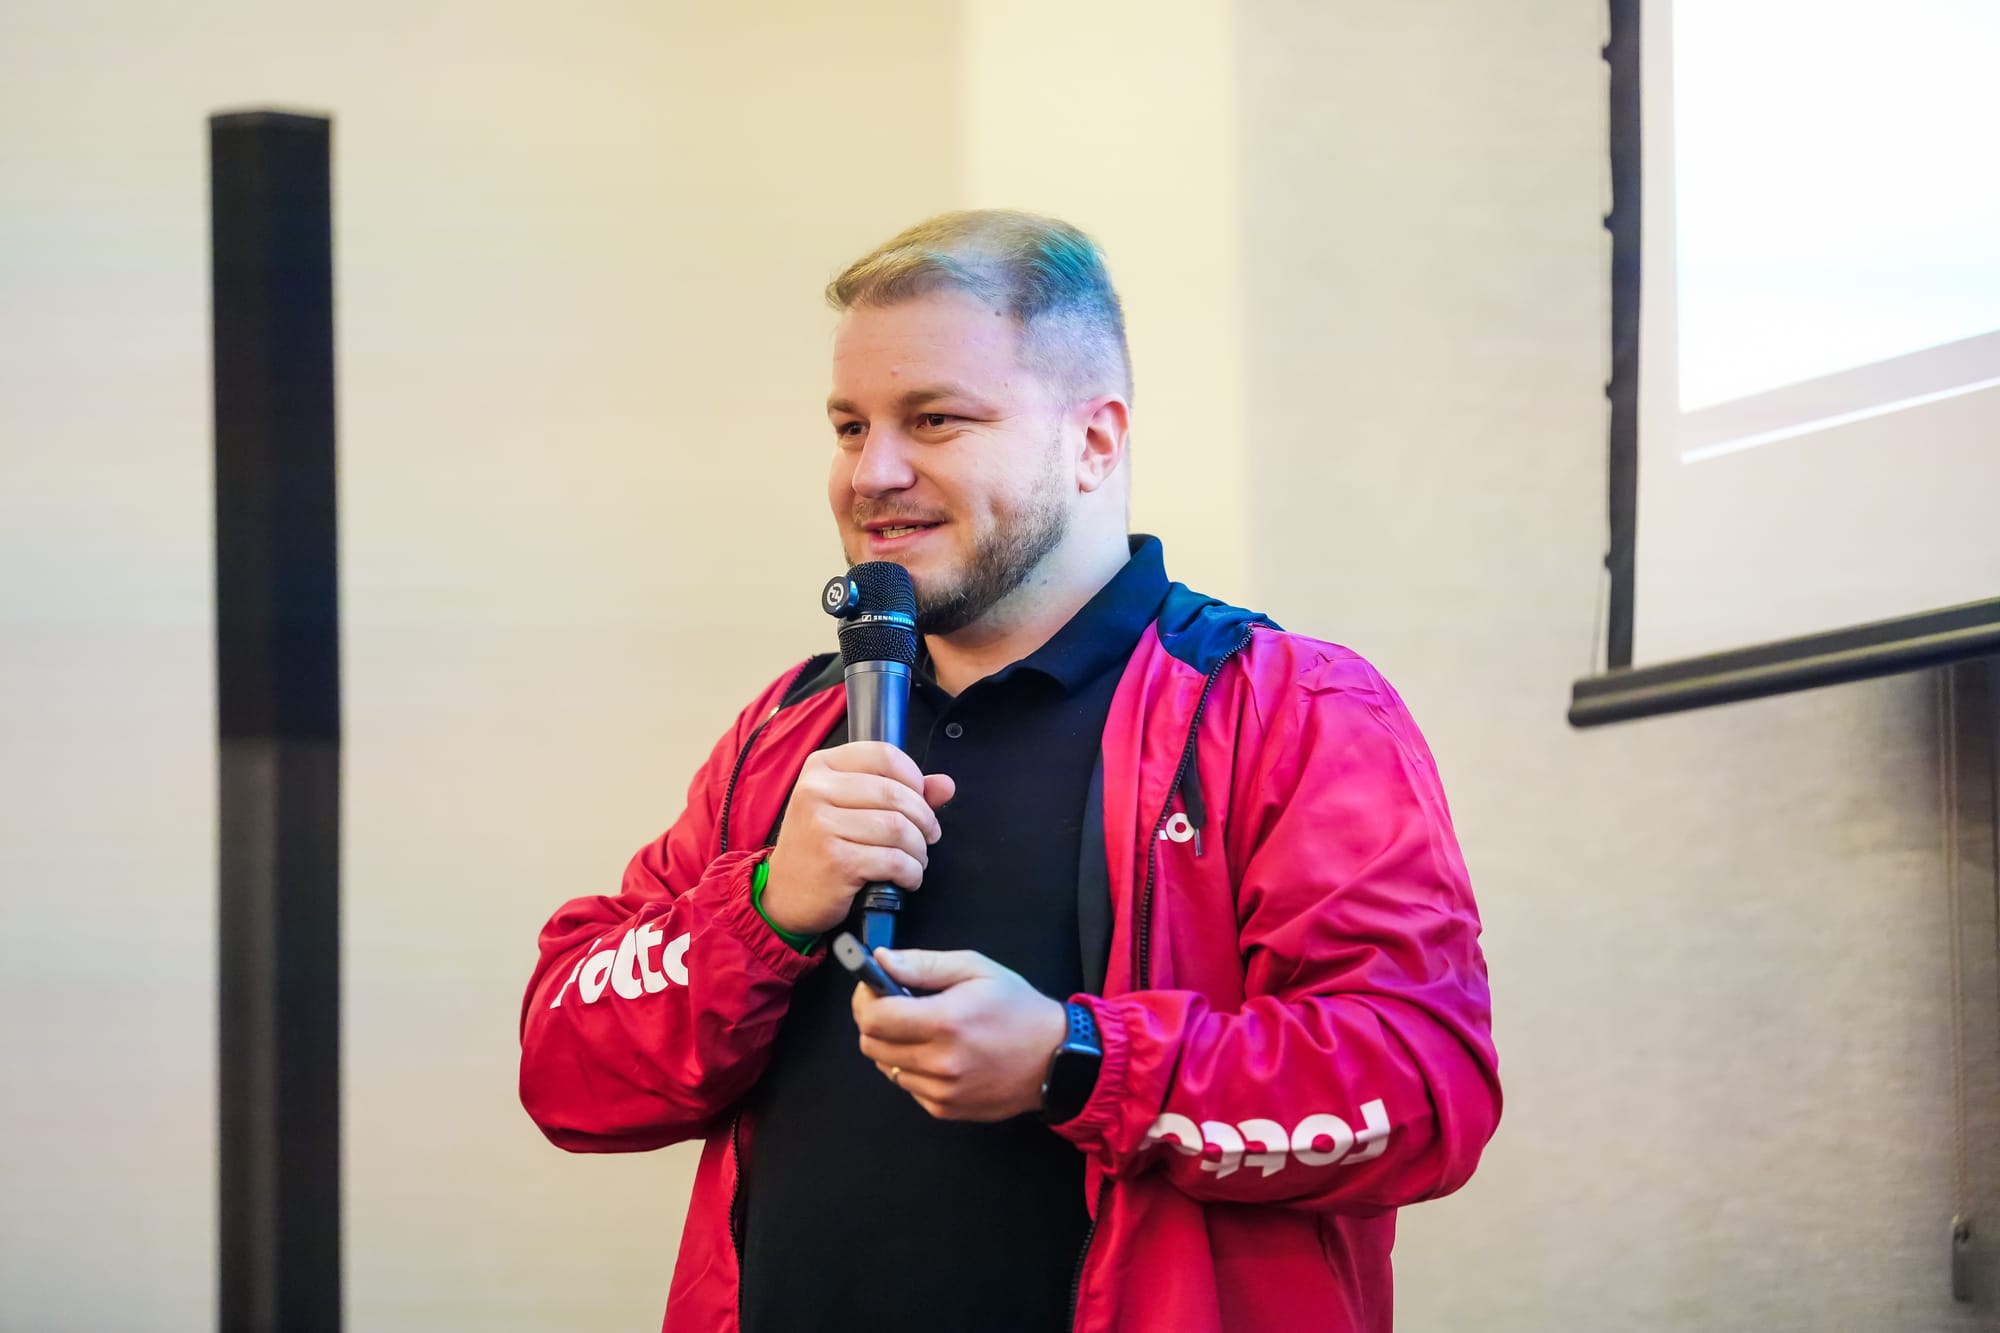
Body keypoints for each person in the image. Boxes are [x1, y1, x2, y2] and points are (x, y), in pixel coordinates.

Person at [518, 210, 1500, 1333]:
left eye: (932, 419)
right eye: (848, 426)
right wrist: (763, 911)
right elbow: (566, 1067)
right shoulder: (790, 727)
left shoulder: (1286, 707)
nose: (869, 473)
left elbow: (1425, 1089)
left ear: (1094, 440)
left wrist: (1074, 1062)